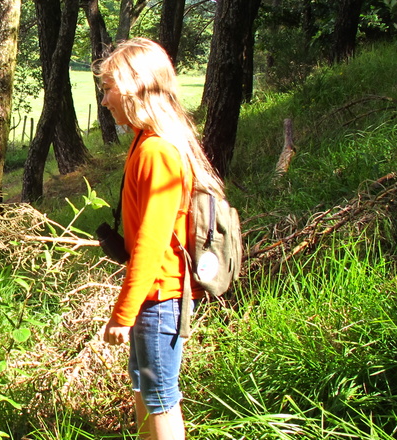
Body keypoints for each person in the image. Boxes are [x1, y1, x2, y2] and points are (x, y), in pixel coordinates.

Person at [97, 38, 226, 440]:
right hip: (152, 300)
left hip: (159, 300)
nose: (104, 101)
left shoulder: (156, 152)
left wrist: (124, 311)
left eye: (108, 89)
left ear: (136, 86)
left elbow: (152, 246)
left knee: (161, 398)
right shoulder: (144, 143)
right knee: (145, 389)